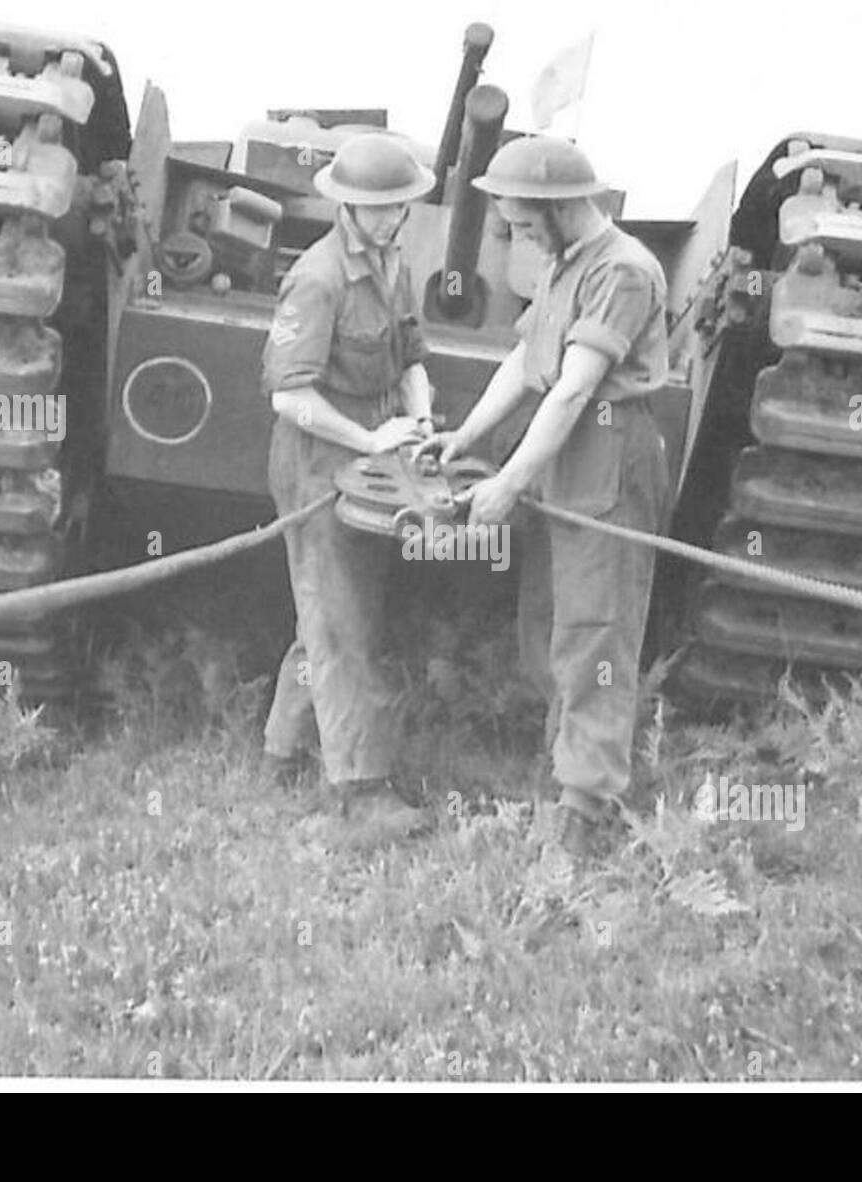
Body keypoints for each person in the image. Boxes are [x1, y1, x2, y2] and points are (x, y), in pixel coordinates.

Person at [431, 135, 673, 860]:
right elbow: (525, 359)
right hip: (562, 457)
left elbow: (572, 387)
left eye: (527, 223)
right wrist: (467, 438)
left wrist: (506, 482)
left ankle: (585, 807)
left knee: (595, 632)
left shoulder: (624, 271)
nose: (519, 237)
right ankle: (565, 765)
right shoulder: (566, 263)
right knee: (548, 621)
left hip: (607, 450)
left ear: (565, 207)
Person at [260, 132, 437, 837]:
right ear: (349, 208)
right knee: (340, 622)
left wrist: (418, 419)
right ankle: (359, 793)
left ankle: (282, 748)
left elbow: (411, 356)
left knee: (334, 611)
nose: (393, 217)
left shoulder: (392, 266)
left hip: (372, 460)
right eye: (379, 207)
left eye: (400, 205)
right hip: (317, 462)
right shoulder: (318, 277)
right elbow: (287, 396)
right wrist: (369, 439)